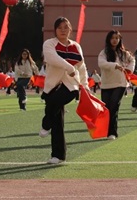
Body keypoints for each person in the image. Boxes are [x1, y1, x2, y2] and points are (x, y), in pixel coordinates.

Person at [40, 17, 88, 164]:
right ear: (55, 30)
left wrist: (85, 85)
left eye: (66, 27)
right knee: (57, 121)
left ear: (70, 30)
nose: (63, 30)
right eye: (60, 27)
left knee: (54, 105)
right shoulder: (49, 44)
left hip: (71, 85)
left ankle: (45, 123)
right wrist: (70, 67)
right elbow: (52, 58)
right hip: (53, 85)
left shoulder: (76, 46)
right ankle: (58, 155)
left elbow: (82, 66)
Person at [98, 30, 134, 140]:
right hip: (106, 84)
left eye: (117, 38)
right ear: (109, 40)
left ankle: (112, 133)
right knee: (107, 108)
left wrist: (129, 69)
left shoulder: (124, 53)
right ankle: (107, 131)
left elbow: (132, 60)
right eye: (112, 38)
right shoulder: (104, 53)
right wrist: (115, 65)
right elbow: (101, 64)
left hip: (120, 83)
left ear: (119, 40)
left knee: (114, 106)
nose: (115, 40)